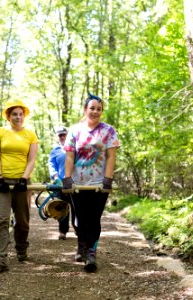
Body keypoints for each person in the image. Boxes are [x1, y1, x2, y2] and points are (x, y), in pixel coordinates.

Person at [62, 93, 120, 273]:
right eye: (92, 108)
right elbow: (70, 156)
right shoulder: (75, 130)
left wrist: (108, 179)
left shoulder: (109, 130)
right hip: (78, 184)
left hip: (98, 183)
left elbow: (111, 156)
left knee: (94, 219)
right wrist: (67, 178)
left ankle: (91, 252)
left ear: (102, 112)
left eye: (99, 109)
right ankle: (82, 244)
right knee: (79, 219)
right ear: (85, 110)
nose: (95, 111)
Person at [0, 99, 39, 275]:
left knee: (22, 221)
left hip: (22, 182)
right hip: (2, 182)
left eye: (20, 114)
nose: (18, 117)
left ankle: (21, 248)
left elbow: (32, 159)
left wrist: (24, 179)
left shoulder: (30, 135)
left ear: (24, 116)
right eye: (14, 114)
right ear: (8, 116)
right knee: (1, 220)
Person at [48, 126, 73, 240]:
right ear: (58, 137)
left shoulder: (75, 147)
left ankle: (79, 229)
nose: (62, 137)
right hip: (60, 182)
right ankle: (63, 231)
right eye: (60, 135)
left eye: (64, 134)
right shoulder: (55, 150)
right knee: (62, 208)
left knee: (77, 208)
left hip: (75, 181)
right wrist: (55, 176)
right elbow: (51, 165)